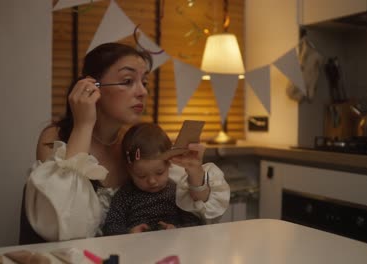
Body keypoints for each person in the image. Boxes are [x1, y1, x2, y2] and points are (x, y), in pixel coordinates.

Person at [24, 42, 230, 242]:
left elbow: (204, 218)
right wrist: (83, 125)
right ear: (92, 86)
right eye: (127, 81)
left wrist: (195, 174)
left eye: (145, 82)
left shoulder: (136, 142)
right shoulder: (56, 137)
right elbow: (64, 227)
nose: (143, 92)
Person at [102, 123, 204, 236]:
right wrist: (129, 232)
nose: (152, 181)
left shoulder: (176, 192)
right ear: (129, 170)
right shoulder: (125, 194)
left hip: (172, 245)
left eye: (159, 173)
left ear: (168, 165)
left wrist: (176, 229)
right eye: (141, 176)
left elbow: (195, 223)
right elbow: (110, 227)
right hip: (135, 247)